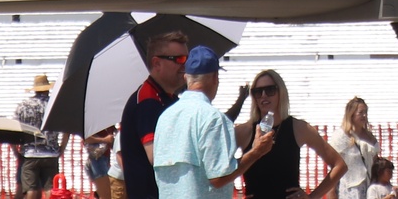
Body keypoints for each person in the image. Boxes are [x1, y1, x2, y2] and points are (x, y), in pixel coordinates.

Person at [154, 45, 269, 199]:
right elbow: (219, 177)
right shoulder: (213, 118)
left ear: (186, 77)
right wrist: (256, 152)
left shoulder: (165, 117)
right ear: (215, 78)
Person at [233, 70, 342, 199]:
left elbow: (339, 165)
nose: (263, 95)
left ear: (281, 92)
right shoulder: (244, 131)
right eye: (257, 92)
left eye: (270, 90)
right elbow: (218, 172)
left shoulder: (299, 128)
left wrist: (311, 197)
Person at [123, 29, 193, 199]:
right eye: (179, 59)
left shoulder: (169, 98)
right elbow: (156, 156)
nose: (185, 65)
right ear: (157, 63)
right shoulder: (148, 100)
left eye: (187, 58)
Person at [13, 75, 64, 199]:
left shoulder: (23, 106)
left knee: (31, 189)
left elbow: (13, 128)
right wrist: (62, 148)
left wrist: (16, 151)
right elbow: (67, 129)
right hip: (51, 153)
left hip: (30, 153)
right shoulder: (56, 105)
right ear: (48, 89)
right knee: (50, 188)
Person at [332, 99, 378, 199]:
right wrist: (331, 192)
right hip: (351, 187)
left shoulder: (370, 136)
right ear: (351, 114)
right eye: (360, 112)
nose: (364, 115)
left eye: (366, 112)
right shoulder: (341, 136)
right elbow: (333, 166)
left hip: (371, 187)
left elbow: (376, 163)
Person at [86, 129, 120, 199]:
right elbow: (86, 139)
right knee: (106, 194)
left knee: (106, 192)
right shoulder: (95, 126)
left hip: (103, 159)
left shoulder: (109, 126)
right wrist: (105, 140)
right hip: (97, 160)